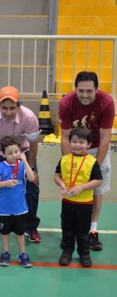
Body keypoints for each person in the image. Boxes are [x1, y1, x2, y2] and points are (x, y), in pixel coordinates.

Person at [58, 71, 115, 251]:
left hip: (98, 147)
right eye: (81, 90)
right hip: (74, 147)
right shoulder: (66, 103)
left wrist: (94, 166)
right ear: (75, 89)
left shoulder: (107, 102)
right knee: (72, 186)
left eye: (89, 91)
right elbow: (66, 137)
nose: (84, 95)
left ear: (97, 89)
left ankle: (92, 230)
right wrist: (69, 164)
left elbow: (106, 137)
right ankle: (72, 231)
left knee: (96, 190)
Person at [0, 85, 42, 242]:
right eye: (4, 108)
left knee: (32, 186)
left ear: (19, 105)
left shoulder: (28, 117)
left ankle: (31, 225)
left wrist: (31, 167)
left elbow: (33, 143)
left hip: (22, 151)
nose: (8, 112)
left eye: (12, 108)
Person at [54, 127, 103, 267]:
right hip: (68, 202)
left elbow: (98, 180)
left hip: (85, 203)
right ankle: (67, 251)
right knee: (67, 228)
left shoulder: (92, 161)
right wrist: (62, 184)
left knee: (82, 230)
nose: (77, 145)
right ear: (70, 142)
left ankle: (84, 253)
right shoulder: (64, 159)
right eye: (74, 141)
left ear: (88, 144)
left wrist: (82, 187)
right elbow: (57, 175)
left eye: (81, 142)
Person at [0, 135, 35, 268]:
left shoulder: (22, 166)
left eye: (16, 152)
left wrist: (26, 162)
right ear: (4, 154)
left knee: (20, 232)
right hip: (4, 209)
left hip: (20, 208)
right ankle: (5, 253)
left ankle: (23, 254)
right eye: (10, 153)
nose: (14, 155)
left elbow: (32, 179)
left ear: (20, 151)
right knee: (4, 233)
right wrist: (5, 183)